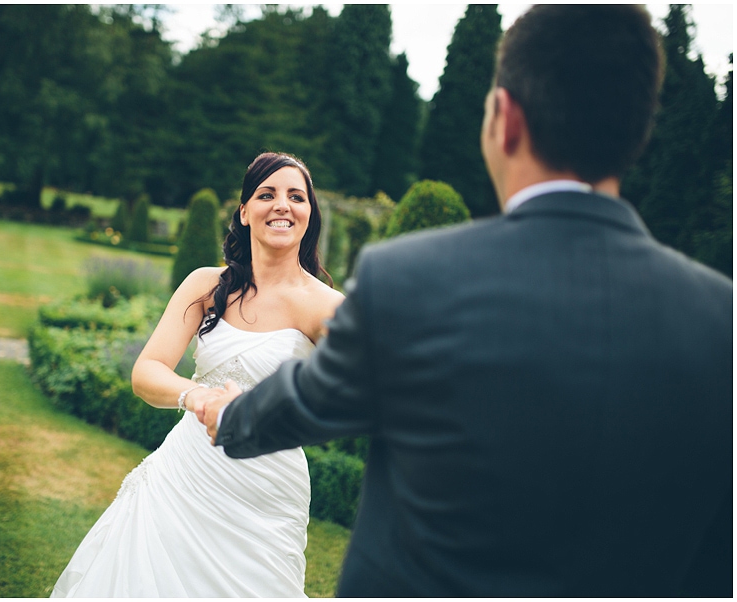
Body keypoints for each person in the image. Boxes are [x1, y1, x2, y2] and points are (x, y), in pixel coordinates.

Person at [198, 5, 732, 597]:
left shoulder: (410, 277)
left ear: (504, 120)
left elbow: (314, 397)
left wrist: (229, 416)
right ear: (637, 132)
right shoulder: (719, 321)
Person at [50, 152, 344, 597]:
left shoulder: (328, 307)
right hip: (185, 475)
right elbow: (147, 371)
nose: (282, 205)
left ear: (309, 216)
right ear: (245, 212)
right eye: (267, 194)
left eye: (296, 197)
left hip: (267, 488)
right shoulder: (206, 285)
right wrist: (198, 397)